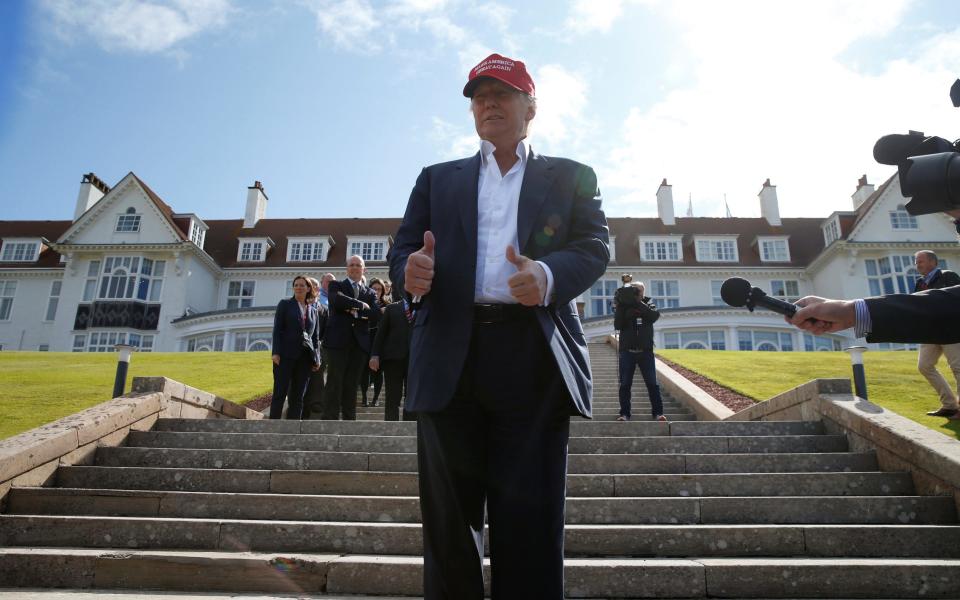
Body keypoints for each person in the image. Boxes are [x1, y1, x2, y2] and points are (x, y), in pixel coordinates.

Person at [389, 53, 609, 599]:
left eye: (502, 93)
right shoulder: (436, 180)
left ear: (529, 107)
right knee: (448, 530)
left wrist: (549, 274)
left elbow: (595, 246)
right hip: (448, 359)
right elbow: (402, 250)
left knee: (530, 528)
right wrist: (409, 271)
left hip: (530, 359)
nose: (488, 103)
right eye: (478, 96)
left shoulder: (572, 176)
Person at [321, 255, 380, 420]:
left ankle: (349, 418)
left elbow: (375, 314)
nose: (354, 268)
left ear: (364, 269)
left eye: (358, 265)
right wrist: (361, 305)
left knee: (352, 383)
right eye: (351, 265)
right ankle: (329, 418)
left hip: (359, 344)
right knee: (334, 380)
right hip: (337, 342)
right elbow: (335, 301)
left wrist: (352, 310)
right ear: (347, 268)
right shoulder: (336, 285)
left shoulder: (370, 292)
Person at [911, 250, 960, 417]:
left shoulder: (949, 277)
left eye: (920, 261)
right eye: (916, 262)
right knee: (924, 366)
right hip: (930, 332)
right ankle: (950, 405)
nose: (917, 265)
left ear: (933, 262)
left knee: (958, 368)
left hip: (951, 330)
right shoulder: (919, 283)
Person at [270, 275, 321, 420]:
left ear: (308, 288)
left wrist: (317, 358)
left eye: (302, 285)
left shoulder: (313, 311)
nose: (298, 287)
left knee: (298, 395)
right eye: (296, 285)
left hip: (305, 358)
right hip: (285, 356)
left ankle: (292, 427)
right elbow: (277, 329)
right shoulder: (285, 304)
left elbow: (315, 338)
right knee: (280, 391)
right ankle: (273, 423)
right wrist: (276, 352)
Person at [614, 280, 666, 422]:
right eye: (634, 290)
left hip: (646, 351)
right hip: (627, 352)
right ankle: (624, 414)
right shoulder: (623, 306)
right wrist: (622, 306)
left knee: (652, 384)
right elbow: (617, 324)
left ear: (643, 292)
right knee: (625, 384)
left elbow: (654, 316)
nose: (636, 293)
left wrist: (638, 303)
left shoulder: (648, 304)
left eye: (639, 291)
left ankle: (658, 413)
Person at [369, 298, 413, 421]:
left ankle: (410, 424)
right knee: (393, 394)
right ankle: (391, 422)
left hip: (416, 359)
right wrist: (375, 355)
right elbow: (381, 333)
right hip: (393, 358)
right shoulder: (392, 308)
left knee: (412, 394)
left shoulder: (423, 307)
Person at [303, 277, 329, 419]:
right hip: (300, 348)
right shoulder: (297, 306)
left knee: (318, 375)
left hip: (318, 347)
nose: (309, 289)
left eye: (313, 286)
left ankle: (317, 403)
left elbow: (326, 331)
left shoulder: (324, 310)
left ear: (318, 290)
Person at [359, 277, 387, 407]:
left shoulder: (387, 305)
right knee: (364, 370)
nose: (376, 291)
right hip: (365, 338)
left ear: (383, 291)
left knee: (378, 371)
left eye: (379, 289)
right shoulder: (364, 303)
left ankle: (375, 399)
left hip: (380, 340)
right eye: (374, 289)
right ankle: (364, 397)